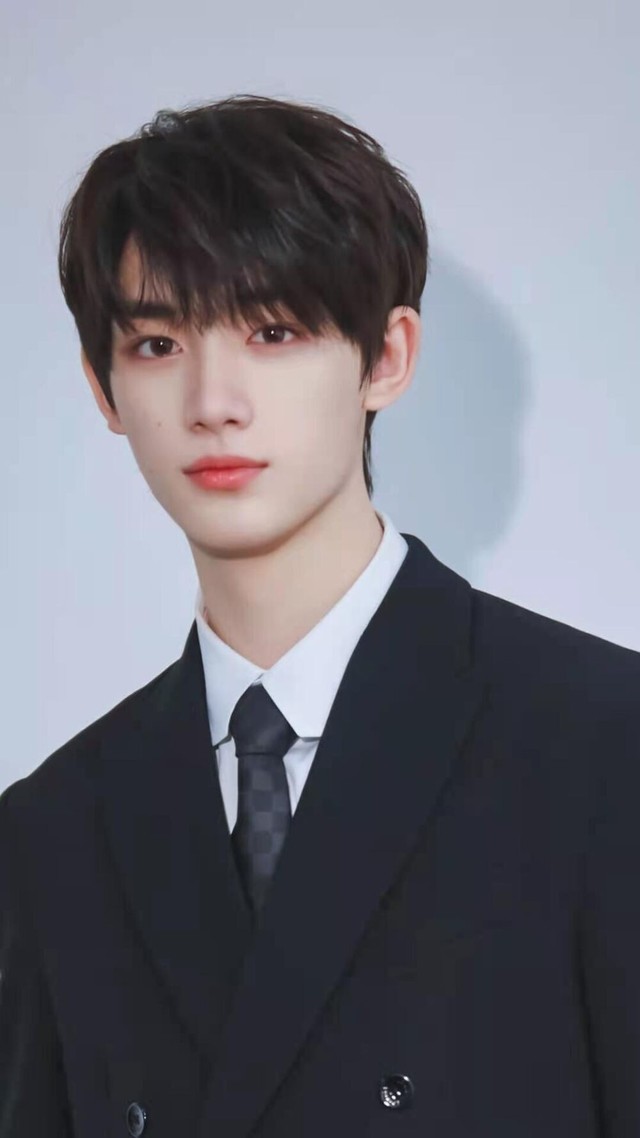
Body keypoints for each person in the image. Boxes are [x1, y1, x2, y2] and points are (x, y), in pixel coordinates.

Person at [1, 93, 639, 1138]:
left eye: (272, 330)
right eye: (157, 343)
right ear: (104, 389)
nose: (213, 401)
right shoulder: (55, 831)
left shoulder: (603, 746)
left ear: (386, 357)